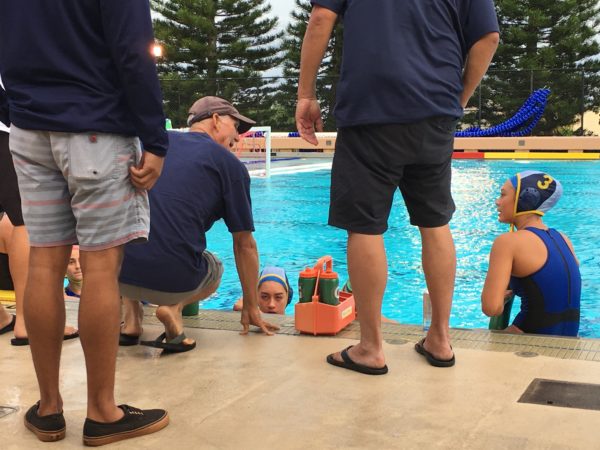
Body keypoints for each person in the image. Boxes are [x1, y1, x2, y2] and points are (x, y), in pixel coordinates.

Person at [296, 1, 499, 374]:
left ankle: (370, 348)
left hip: (370, 110)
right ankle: (440, 339)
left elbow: (321, 18)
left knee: (365, 226)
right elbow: (488, 37)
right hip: (436, 111)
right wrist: (459, 97)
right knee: (435, 222)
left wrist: (305, 94)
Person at [0, 1, 170, 445]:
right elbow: (133, 49)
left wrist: (15, 107)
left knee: (44, 262)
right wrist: (155, 138)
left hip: (29, 130)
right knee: (100, 268)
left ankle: (49, 408)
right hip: (96, 125)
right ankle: (102, 412)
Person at [119, 96, 279, 352]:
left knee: (138, 233)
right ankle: (173, 308)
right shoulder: (230, 165)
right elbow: (244, 245)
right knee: (215, 265)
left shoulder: (154, 144)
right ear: (215, 120)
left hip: (118, 275)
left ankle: (131, 324)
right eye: (236, 126)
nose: (238, 137)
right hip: (172, 284)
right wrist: (251, 305)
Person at [481, 171, 581, 336]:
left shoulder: (507, 242)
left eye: (503, 195)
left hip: (529, 340)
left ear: (524, 200)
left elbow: (491, 308)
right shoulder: (564, 239)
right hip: (569, 341)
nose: (497, 202)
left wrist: (500, 296)